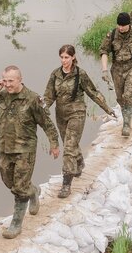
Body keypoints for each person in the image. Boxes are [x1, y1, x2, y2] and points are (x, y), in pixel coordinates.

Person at [0, 66, 60, 239]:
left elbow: (47, 123)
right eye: (5, 80)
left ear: (20, 80)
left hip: (25, 149)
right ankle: (33, 191)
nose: (7, 84)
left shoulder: (32, 99)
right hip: (5, 148)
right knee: (9, 182)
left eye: (11, 81)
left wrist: (54, 143)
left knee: (19, 188)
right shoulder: (0, 96)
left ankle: (16, 224)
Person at [44, 45, 115, 198]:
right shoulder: (55, 75)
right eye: (62, 57)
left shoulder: (80, 74)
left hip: (77, 114)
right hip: (61, 115)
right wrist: (41, 109)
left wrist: (107, 108)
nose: (64, 61)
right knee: (69, 144)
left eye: (67, 57)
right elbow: (49, 96)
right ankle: (80, 162)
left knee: (69, 148)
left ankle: (66, 184)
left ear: (73, 57)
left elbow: (93, 92)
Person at [99, 12, 132, 137]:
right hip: (117, 69)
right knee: (121, 98)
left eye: (123, 26)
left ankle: (127, 124)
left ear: (129, 25)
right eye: (119, 25)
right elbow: (104, 51)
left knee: (127, 95)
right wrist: (104, 70)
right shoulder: (112, 35)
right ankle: (129, 104)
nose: (121, 28)